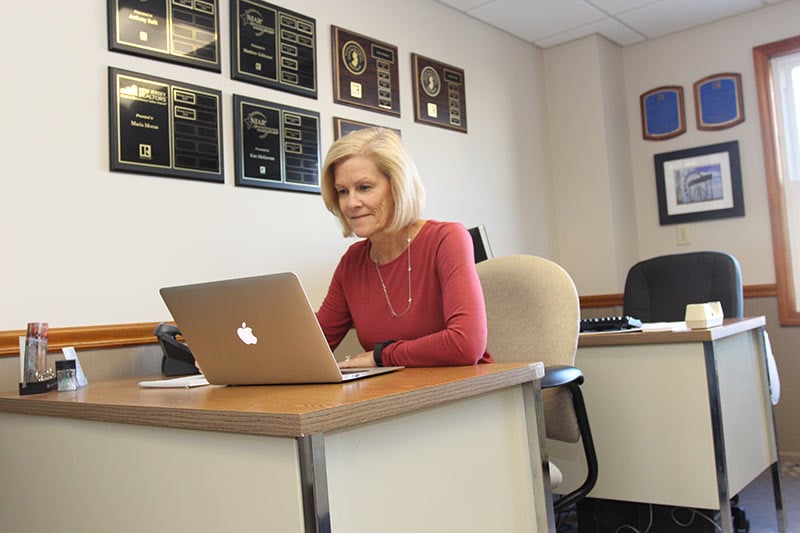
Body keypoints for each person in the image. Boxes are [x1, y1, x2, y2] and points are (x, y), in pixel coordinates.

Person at [316, 127, 492, 368]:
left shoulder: (447, 239)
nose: (351, 203)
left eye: (365, 187)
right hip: (397, 398)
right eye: (342, 192)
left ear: (398, 186)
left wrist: (381, 356)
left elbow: (466, 345)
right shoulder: (352, 262)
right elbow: (313, 346)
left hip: (468, 394)